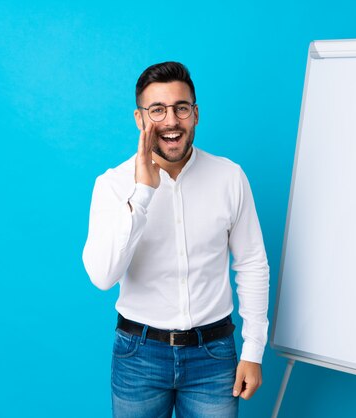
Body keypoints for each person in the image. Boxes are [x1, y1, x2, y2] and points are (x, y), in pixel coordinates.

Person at [82, 61, 269, 418]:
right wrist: (142, 195)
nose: (171, 121)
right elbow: (102, 277)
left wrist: (253, 350)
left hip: (214, 356)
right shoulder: (111, 185)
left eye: (181, 108)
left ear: (195, 114)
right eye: (157, 110)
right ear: (139, 119)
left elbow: (252, 264)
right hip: (138, 356)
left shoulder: (229, 177)